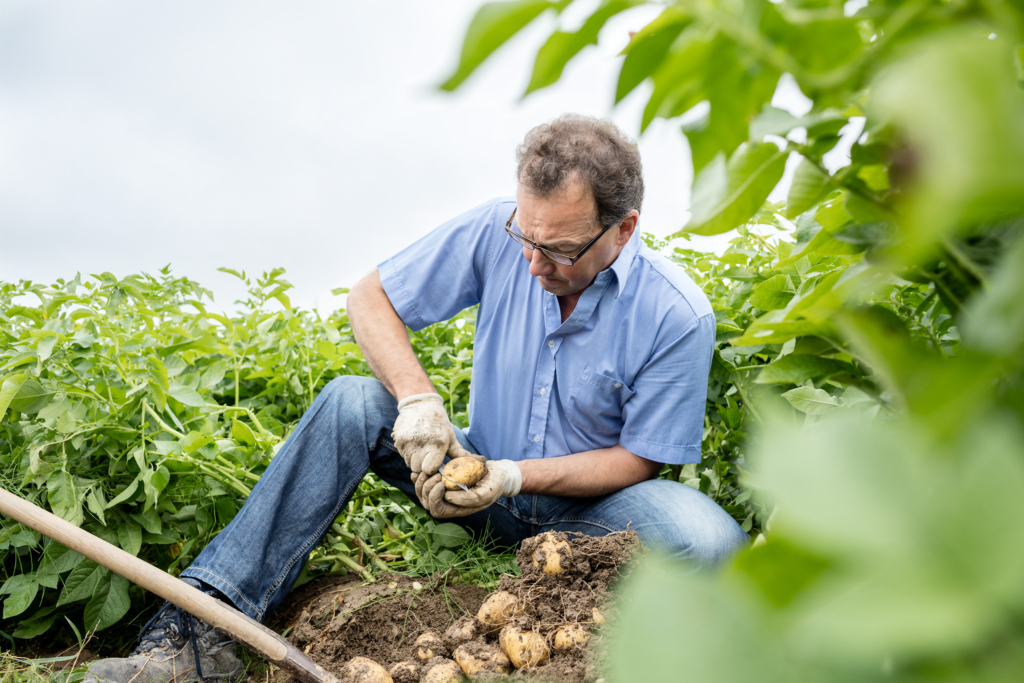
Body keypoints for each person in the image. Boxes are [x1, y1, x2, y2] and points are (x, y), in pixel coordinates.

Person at [84, 114, 748, 683]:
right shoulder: (498, 230)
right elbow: (369, 297)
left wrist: (514, 476)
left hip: (592, 519)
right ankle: (197, 634)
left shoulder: (676, 314)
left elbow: (641, 459)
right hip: (470, 488)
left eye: (561, 249)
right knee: (351, 402)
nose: (534, 264)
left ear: (624, 229)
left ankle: (612, 627)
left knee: (708, 538)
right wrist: (418, 400)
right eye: (527, 237)